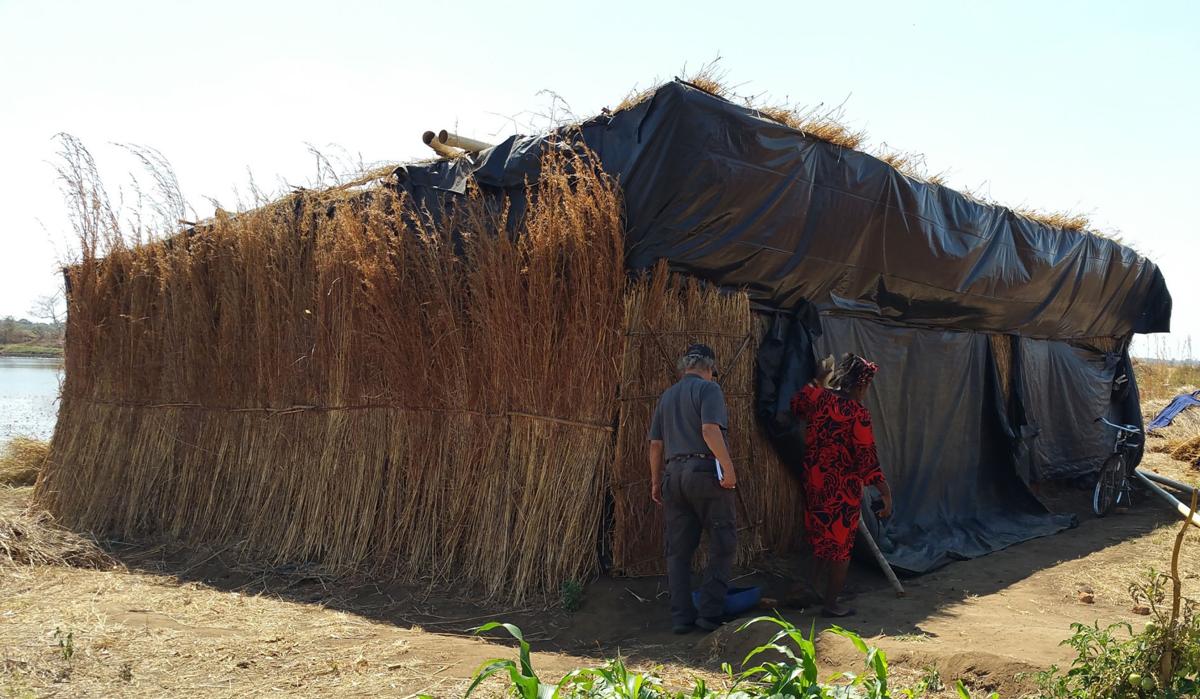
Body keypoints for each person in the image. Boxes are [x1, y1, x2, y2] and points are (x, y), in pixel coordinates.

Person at [790, 353, 893, 618]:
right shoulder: (857, 414)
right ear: (861, 385)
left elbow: (797, 405)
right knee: (840, 546)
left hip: (814, 481)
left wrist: (816, 380)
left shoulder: (820, 398)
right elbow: (866, 456)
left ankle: (810, 588)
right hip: (841, 487)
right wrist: (884, 491)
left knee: (820, 538)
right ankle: (831, 603)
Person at [648, 343, 738, 634]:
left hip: (672, 475)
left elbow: (655, 445)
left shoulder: (666, 397)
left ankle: (681, 618)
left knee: (678, 552)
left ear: (684, 366)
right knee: (723, 542)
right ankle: (709, 614)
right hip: (703, 472)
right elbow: (710, 430)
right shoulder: (709, 390)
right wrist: (727, 466)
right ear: (709, 367)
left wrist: (654, 480)